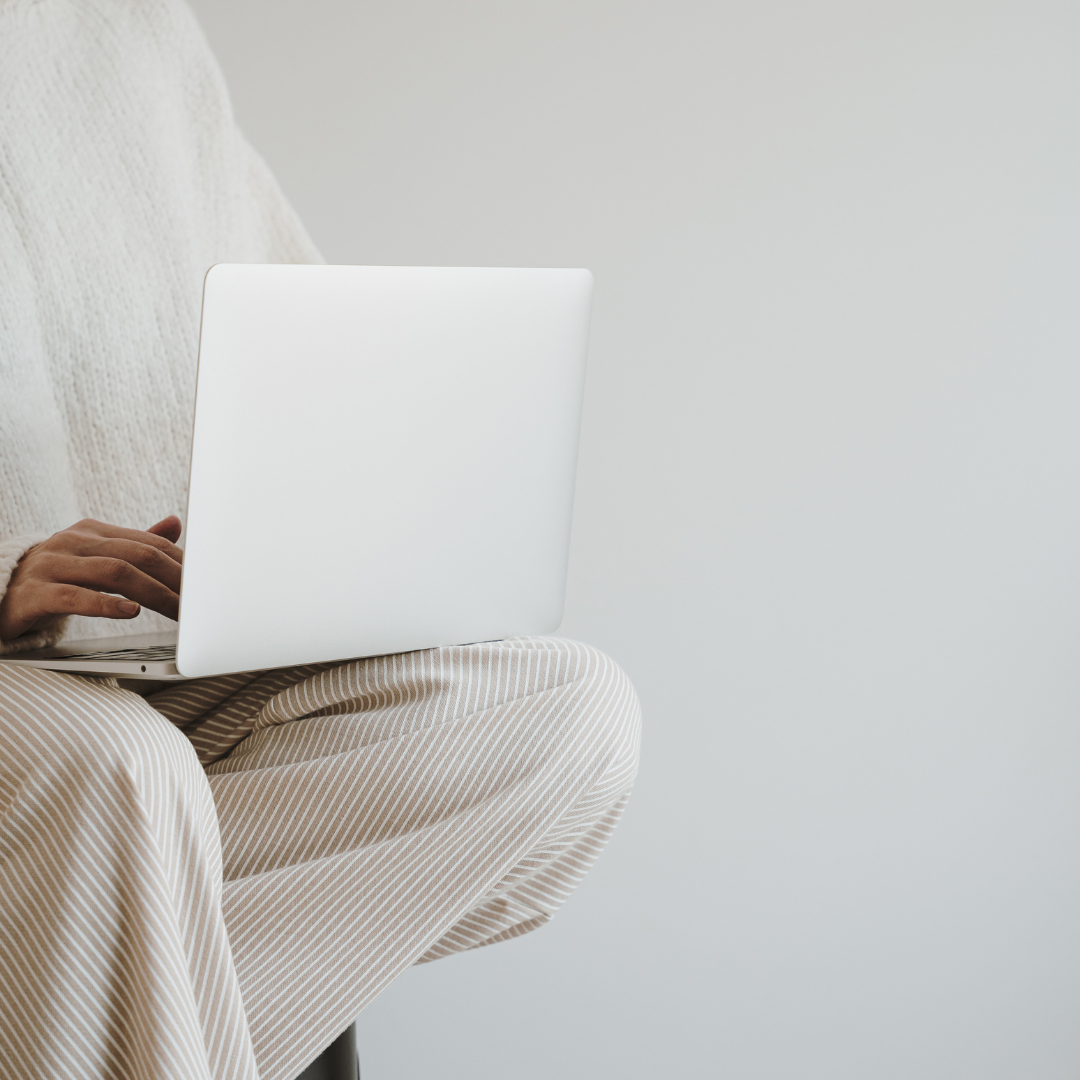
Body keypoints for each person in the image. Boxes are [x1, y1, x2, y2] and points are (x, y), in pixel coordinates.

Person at [0, 2, 641, 1079]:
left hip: (163, 646)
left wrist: (324, 551)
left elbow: (303, 344)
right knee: (114, 769)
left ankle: (60, 988)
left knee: (570, 712)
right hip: (30, 680)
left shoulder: (135, 34)